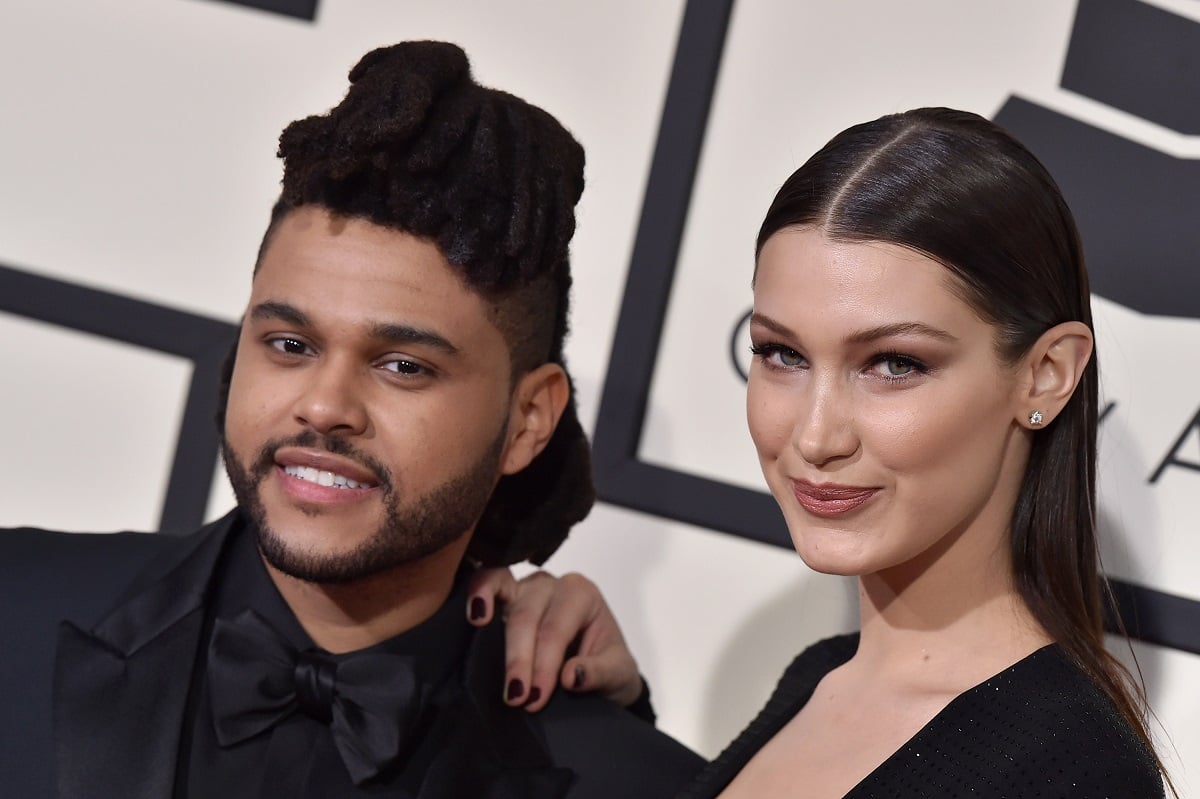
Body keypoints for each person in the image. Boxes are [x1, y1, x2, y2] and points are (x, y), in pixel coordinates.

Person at [0, 41, 702, 798]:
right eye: (290, 344)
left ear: (529, 419)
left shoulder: (630, 782)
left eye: (403, 365)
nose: (325, 406)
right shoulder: (16, 610)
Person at [471, 107, 1173, 797]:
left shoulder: (1074, 771)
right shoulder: (821, 675)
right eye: (782, 353)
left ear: (1045, 373)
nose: (814, 435)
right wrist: (601, 721)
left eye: (894, 363)